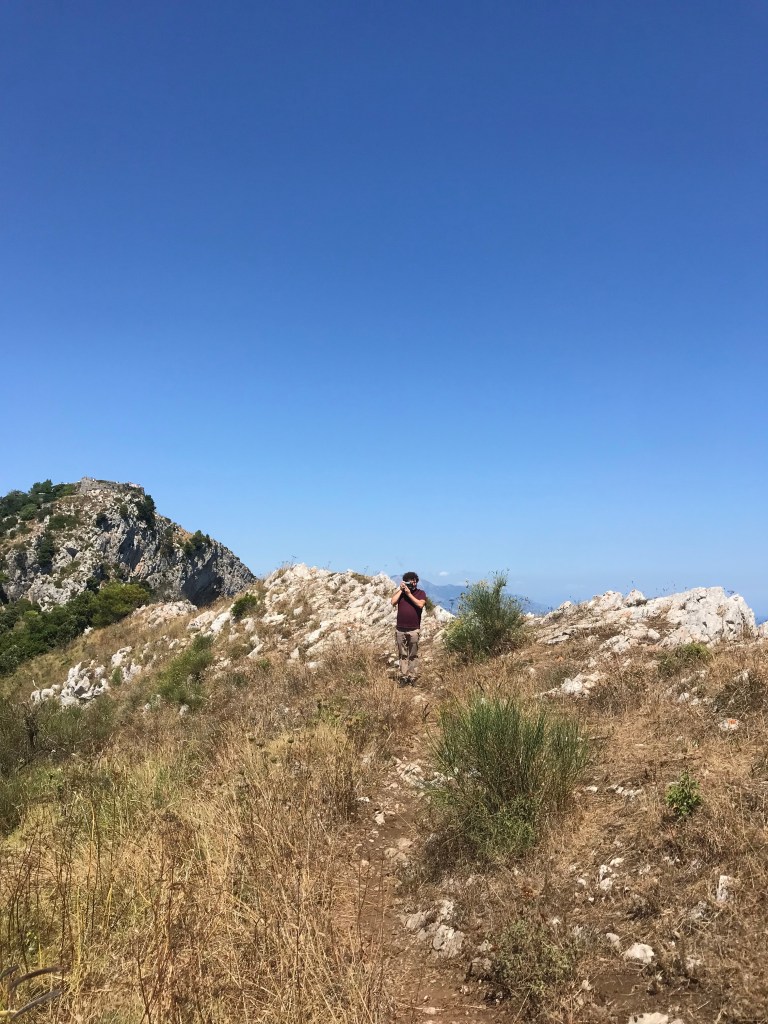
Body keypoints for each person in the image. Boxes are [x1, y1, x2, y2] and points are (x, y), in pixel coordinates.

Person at [391, 571, 427, 685]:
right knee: (403, 654)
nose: (413, 584)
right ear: (405, 582)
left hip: (413, 629)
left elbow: (420, 604)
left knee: (413, 654)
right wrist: (401, 590)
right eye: (410, 581)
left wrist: (409, 594)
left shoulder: (421, 593)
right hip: (400, 629)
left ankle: (413, 677)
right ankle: (404, 676)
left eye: (415, 581)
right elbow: (393, 602)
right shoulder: (401, 593)